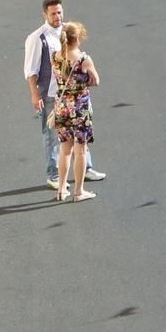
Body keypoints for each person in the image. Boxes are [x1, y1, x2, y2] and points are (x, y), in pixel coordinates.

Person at [23, 0, 101, 190]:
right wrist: (35, 94)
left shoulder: (68, 31)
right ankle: (53, 174)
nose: (58, 16)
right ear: (45, 14)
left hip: (71, 96)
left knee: (79, 137)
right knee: (52, 136)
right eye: (53, 13)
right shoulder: (37, 38)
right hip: (51, 94)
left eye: (59, 12)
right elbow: (31, 70)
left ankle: (86, 168)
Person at [49, 21, 99, 202]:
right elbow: (96, 80)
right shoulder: (84, 59)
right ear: (77, 38)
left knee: (65, 150)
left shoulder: (55, 56)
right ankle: (78, 191)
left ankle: (61, 189)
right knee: (81, 151)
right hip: (80, 109)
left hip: (61, 107)